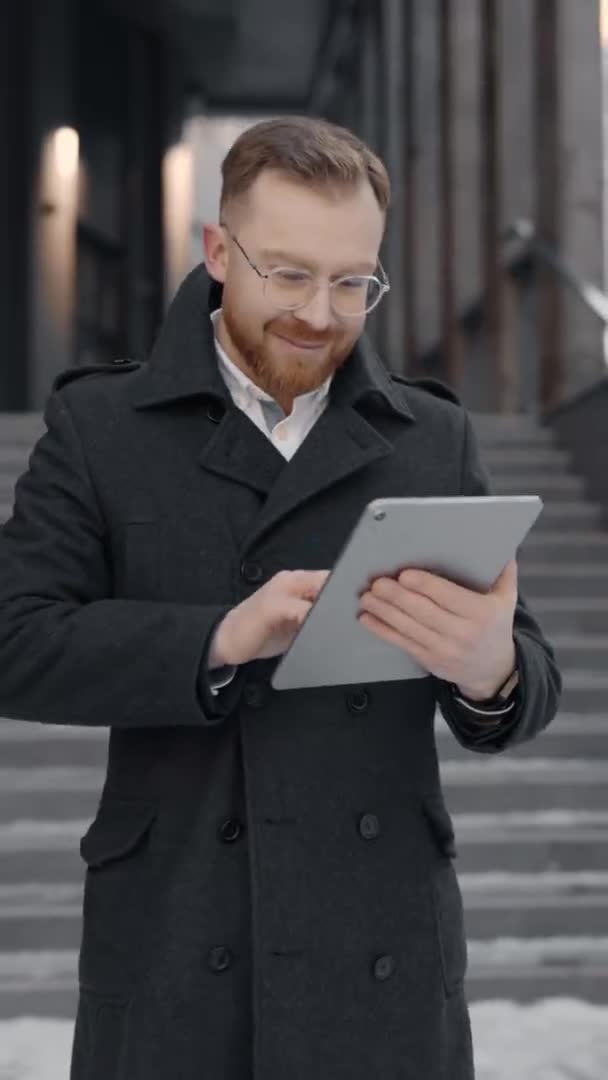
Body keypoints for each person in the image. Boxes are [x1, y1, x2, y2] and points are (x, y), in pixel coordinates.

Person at [0, 116, 560, 1080]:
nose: (320, 312)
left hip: (379, 951)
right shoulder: (101, 427)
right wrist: (216, 639)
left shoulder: (431, 436)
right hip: (180, 936)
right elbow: (14, 640)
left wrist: (490, 671)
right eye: (288, 274)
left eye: (353, 282)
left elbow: (529, 678)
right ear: (219, 252)